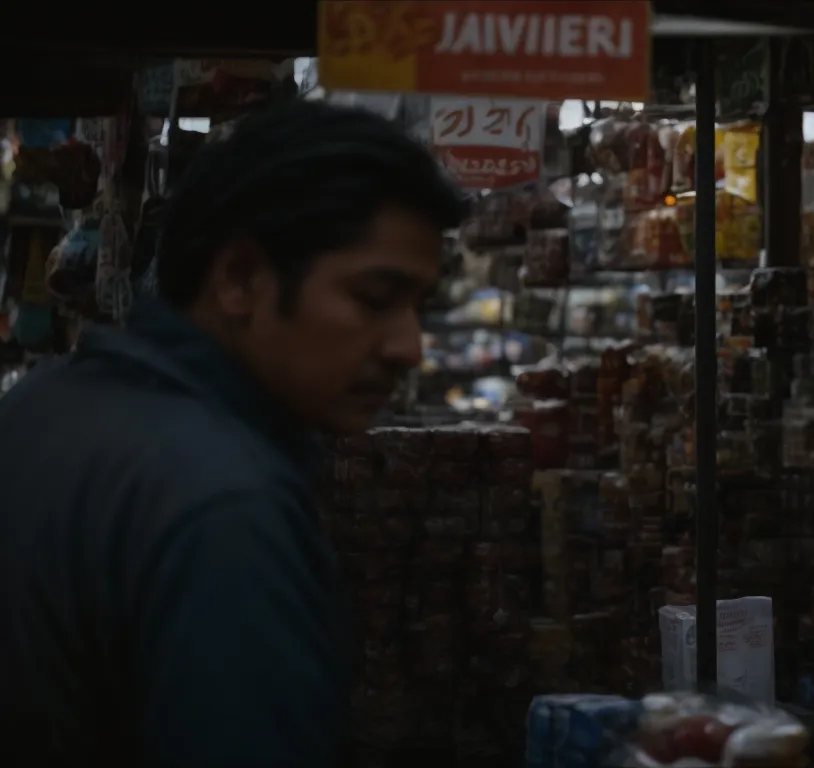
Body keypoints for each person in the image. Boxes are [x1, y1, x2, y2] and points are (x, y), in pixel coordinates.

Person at [0, 100, 467, 767]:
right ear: (241, 278)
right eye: (373, 298)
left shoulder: (42, 407)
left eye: (418, 308)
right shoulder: (225, 508)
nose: (408, 347)